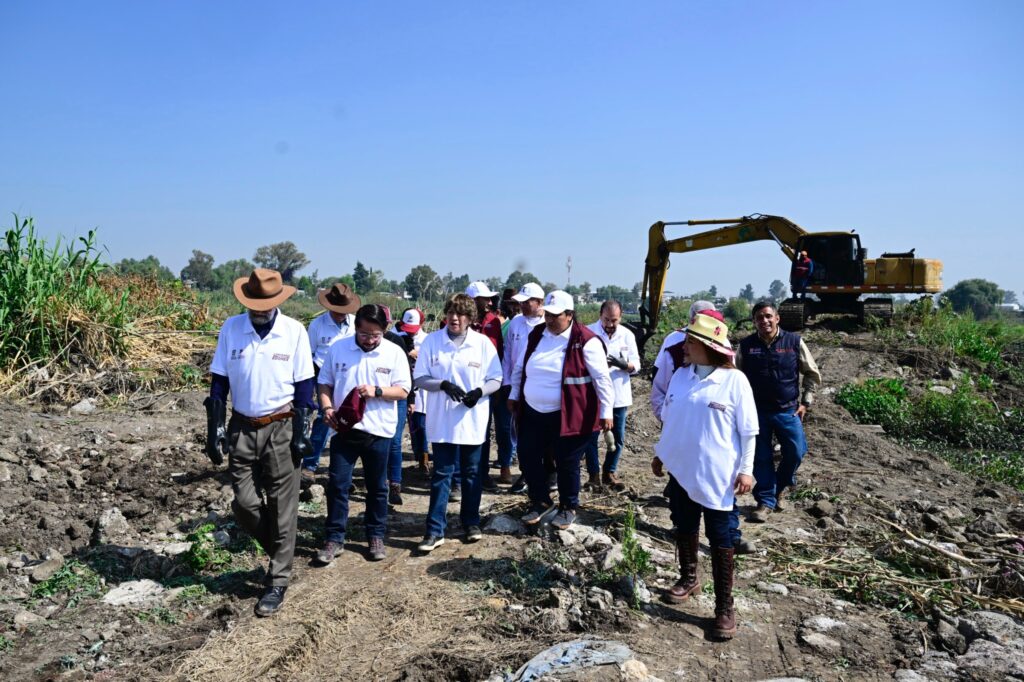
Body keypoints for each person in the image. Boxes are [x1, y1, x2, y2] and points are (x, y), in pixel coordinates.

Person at [204, 269, 315, 617]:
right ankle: (283, 551)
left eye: (266, 305)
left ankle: (277, 580)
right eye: (254, 305)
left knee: (283, 506)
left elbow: (305, 386)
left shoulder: (294, 331)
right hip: (242, 424)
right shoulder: (231, 328)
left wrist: (301, 433)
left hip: (281, 424)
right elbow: (219, 382)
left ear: (277, 302)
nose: (259, 310)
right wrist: (214, 428)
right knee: (244, 502)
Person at [651, 311, 757, 640]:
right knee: (684, 525)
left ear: (707, 346)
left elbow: (748, 431)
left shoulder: (734, 381)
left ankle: (725, 607)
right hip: (682, 469)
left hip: (718, 475)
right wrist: (660, 453)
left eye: (690, 341)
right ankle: (688, 578)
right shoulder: (682, 376)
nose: (683, 345)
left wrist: (746, 470)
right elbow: (673, 420)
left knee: (721, 538)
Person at [508, 290, 614, 530]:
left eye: (556, 315)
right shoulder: (537, 335)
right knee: (527, 455)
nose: (550, 319)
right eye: (548, 314)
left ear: (569, 315)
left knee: (567, 461)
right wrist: (514, 394)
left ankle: (568, 506)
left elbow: (602, 379)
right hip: (534, 412)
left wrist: (606, 411)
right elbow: (519, 367)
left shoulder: (586, 340)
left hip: (568, 414)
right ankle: (540, 500)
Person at [314, 304, 412, 563]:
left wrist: (377, 391)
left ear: (384, 330)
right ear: (355, 328)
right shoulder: (339, 348)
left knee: (378, 488)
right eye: (365, 334)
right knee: (337, 485)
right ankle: (334, 538)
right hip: (344, 431)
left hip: (378, 431)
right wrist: (326, 407)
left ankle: (375, 536)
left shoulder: (394, 352)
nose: (370, 340)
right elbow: (324, 382)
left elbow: (403, 390)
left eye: (375, 335)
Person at [413, 294, 502, 551]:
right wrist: (441, 384)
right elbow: (419, 378)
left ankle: (471, 522)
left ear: (470, 318)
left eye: (461, 314)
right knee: (442, 474)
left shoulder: (483, 344)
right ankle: (434, 530)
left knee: (473, 473)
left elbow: (496, 378)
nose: (455, 318)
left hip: (472, 419)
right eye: (451, 313)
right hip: (442, 420)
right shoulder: (432, 342)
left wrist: (479, 392)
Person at [736, 301, 821, 523]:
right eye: (759, 318)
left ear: (777, 318)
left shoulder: (794, 342)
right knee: (761, 457)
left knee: (796, 451)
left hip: (787, 411)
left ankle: (778, 488)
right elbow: (734, 377)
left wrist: (806, 402)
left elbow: (812, 373)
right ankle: (765, 501)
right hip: (756, 412)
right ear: (754, 322)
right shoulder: (746, 346)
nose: (764, 321)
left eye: (767, 316)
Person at [301, 282, 360, 486]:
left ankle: (345, 472)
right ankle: (310, 465)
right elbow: (309, 356)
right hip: (323, 377)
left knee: (350, 421)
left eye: (344, 311)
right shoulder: (317, 325)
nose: (341, 315)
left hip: (348, 377)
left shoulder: (355, 325)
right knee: (324, 419)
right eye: (337, 311)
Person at [585, 299, 639, 490]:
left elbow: (636, 365)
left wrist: (623, 365)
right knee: (590, 438)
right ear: (600, 315)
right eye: (606, 320)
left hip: (618, 394)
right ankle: (593, 475)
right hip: (594, 394)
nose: (609, 325)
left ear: (620, 317)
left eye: (614, 320)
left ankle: (609, 471)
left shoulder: (627, 336)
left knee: (618, 437)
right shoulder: (588, 332)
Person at [501, 282, 546, 492]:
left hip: (541, 387)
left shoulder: (549, 323)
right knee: (521, 432)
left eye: (528, 302)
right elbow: (508, 355)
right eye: (521, 303)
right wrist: (508, 384)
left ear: (540, 303)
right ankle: (525, 473)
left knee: (543, 433)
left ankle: (545, 473)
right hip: (518, 386)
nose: (523, 306)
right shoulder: (516, 323)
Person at [464, 281, 505, 492]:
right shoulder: (456, 322)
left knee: (483, 430)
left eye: (490, 298)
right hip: (461, 386)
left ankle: (482, 473)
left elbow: (498, 354)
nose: (489, 302)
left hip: (485, 387)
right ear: (472, 300)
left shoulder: (493, 322)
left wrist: (495, 387)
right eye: (484, 299)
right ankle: (457, 477)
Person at [385, 308, 425, 504]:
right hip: (373, 398)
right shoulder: (359, 342)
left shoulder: (395, 342)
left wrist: (410, 399)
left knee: (394, 441)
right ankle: (379, 482)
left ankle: (395, 484)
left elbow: (405, 373)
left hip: (398, 395)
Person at [395, 308, 430, 474]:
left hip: (421, 388)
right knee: (406, 423)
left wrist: (418, 355)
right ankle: (417, 455)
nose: (409, 334)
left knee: (421, 424)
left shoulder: (428, 340)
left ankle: (424, 458)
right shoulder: (396, 337)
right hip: (402, 385)